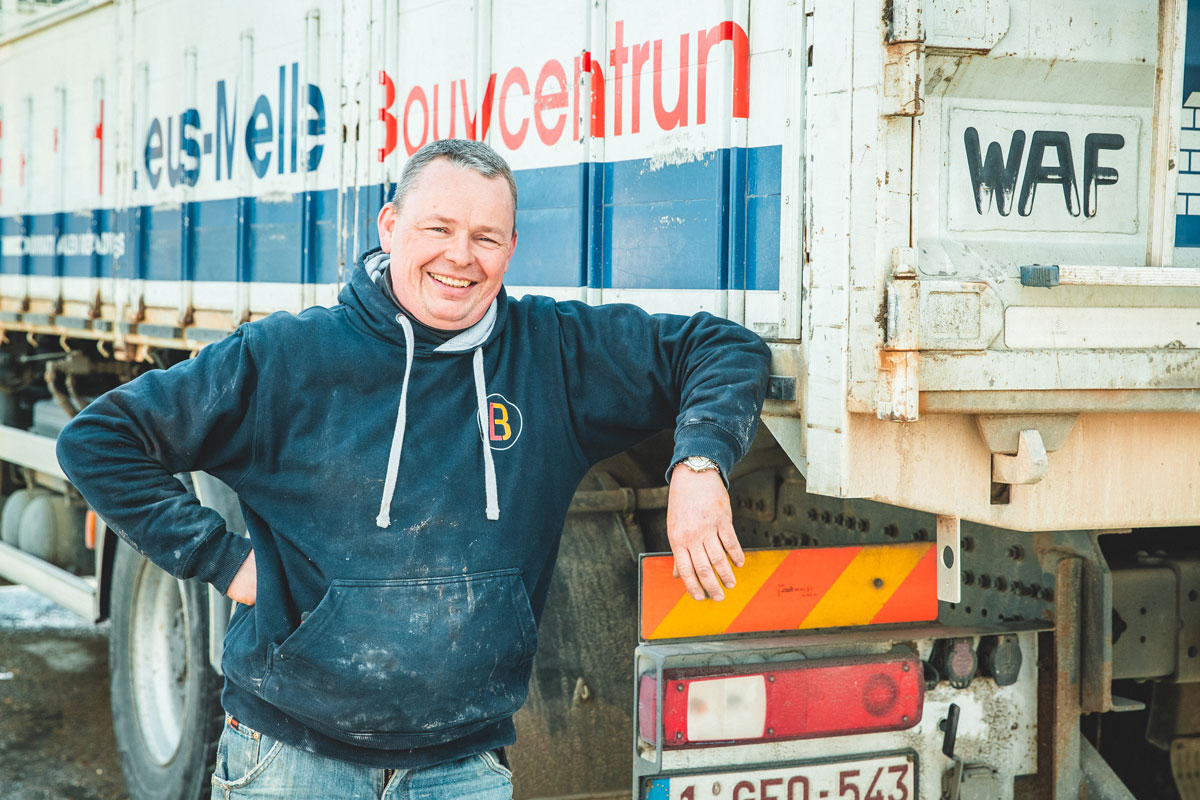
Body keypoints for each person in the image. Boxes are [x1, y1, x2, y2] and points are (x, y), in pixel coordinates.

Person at [56, 138, 771, 798]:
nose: (461, 256)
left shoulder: (554, 354)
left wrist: (699, 463)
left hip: (461, 768)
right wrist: (225, 562)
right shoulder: (287, 358)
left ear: (511, 247)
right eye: (438, 228)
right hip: (291, 757)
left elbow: (723, 347)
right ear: (391, 225)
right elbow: (100, 440)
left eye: (486, 237)